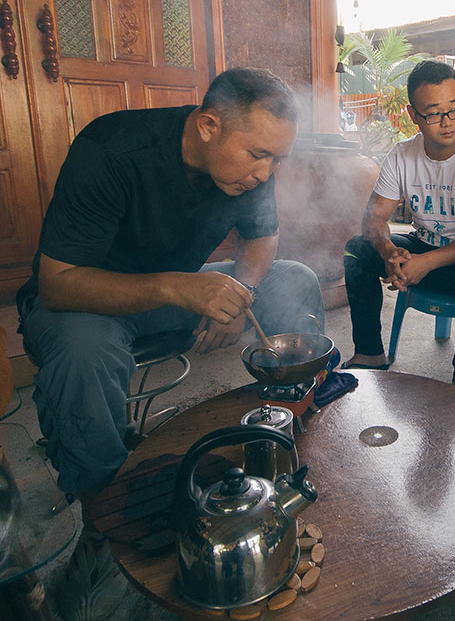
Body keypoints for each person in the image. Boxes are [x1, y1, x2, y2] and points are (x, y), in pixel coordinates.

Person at [15, 67, 324, 619]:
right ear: (208, 125)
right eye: (257, 155)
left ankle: (287, 436)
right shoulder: (111, 149)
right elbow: (57, 283)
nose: (265, 172)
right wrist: (180, 286)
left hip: (176, 292)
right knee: (85, 354)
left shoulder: (253, 167)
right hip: (87, 301)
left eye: (277, 159)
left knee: (296, 279)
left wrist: (244, 292)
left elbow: (263, 238)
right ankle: (104, 522)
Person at [342, 60, 455, 386]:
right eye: (433, 113)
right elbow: (374, 219)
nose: (447, 122)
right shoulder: (402, 155)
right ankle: (369, 353)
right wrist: (389, 251)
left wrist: (426, 263)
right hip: (421, 248)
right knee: (357, 251)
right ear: (413, 115)